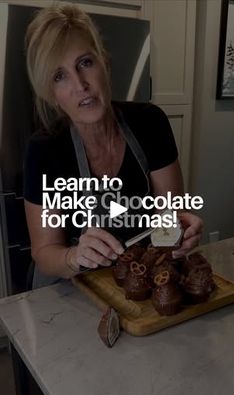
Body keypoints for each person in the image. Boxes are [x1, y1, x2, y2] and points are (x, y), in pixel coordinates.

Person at [24, 2, 203, 288]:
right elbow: (45, 253)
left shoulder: (149, 123)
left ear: (104, 63)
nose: (80, 84)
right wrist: (73, 256)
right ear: (51, 95)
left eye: (85, 62)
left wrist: (177, 236)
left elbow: (167, 218)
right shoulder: (45, 150)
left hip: (140, 278)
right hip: (71, 290)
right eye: (60, 76)